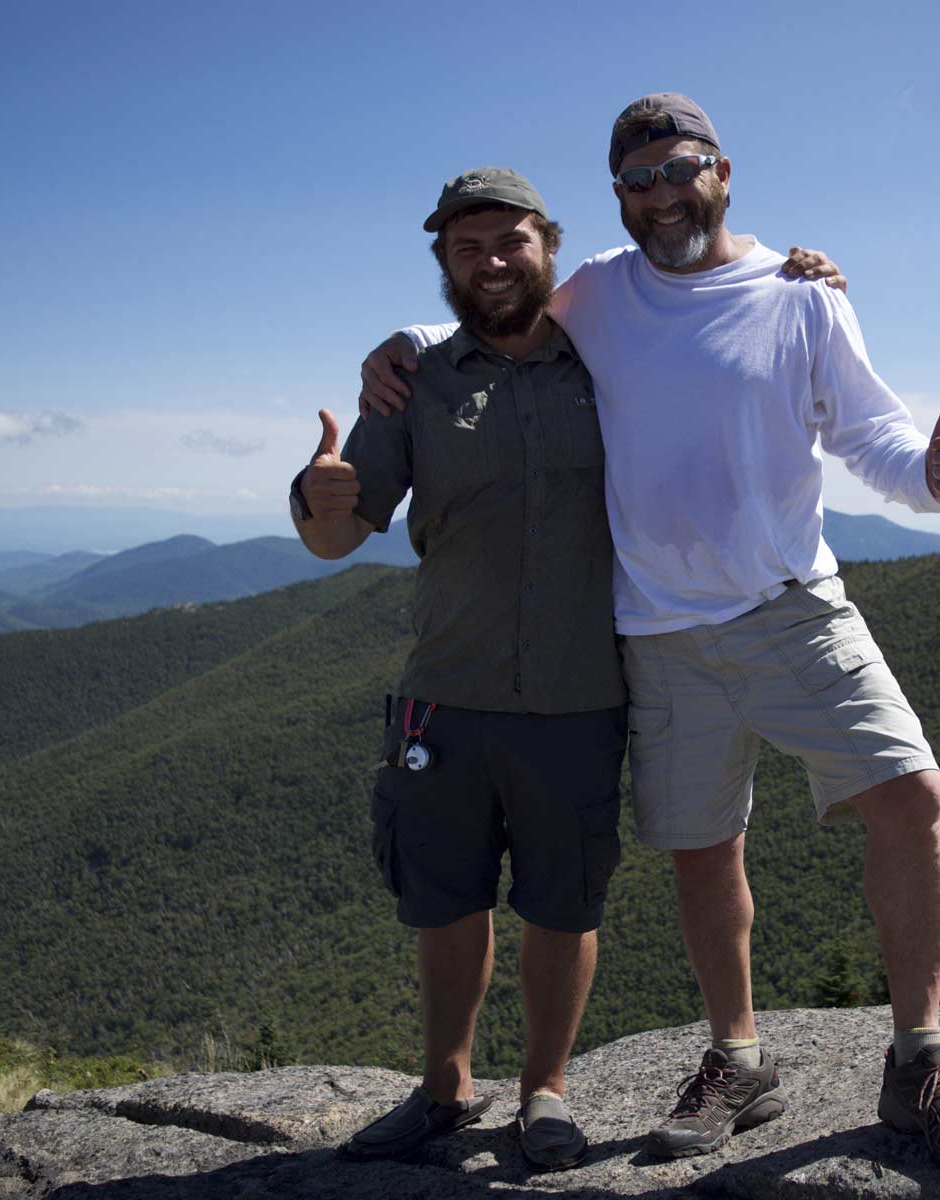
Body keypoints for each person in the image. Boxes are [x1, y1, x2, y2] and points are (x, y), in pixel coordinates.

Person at [364, 93, 940, 1173]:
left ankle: (918, 1058)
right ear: (618, 197)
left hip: (794, 605)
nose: (663, 194)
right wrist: (406, 344)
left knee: (910, 794)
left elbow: (872, 432)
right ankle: (738, 1059)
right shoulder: (602, 292)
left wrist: (930, 481)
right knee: (705, 851)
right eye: (640, 180)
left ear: (725, 171)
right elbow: (496, 304)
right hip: (655, 631)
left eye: (682, 169)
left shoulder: (801, 298)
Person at [294, 166, 843, 1171]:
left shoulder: (612, 353)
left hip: (579, 694)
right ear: (444, 266)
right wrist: (321, 498)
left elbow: (711, 311)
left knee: (561, 904)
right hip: (443, 697)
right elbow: (338, 535)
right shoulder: (415, 377)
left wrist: (801, 280)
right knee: (446, 899)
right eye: (468, 248)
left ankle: (544, 1091)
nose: (492, 262)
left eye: (511, 243)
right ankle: (445, 1089)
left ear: (550, 247)